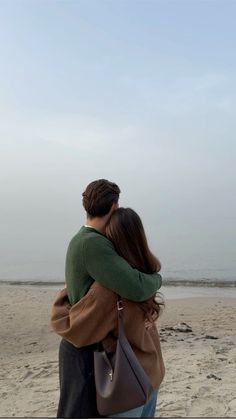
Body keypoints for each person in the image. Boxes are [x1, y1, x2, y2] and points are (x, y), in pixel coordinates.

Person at [55, 179, 162, 418]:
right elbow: (136, 287)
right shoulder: (93, 243)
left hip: (92, 336)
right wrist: (157, 279)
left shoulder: (83, 240)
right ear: (114, 206)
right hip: (92, 343)